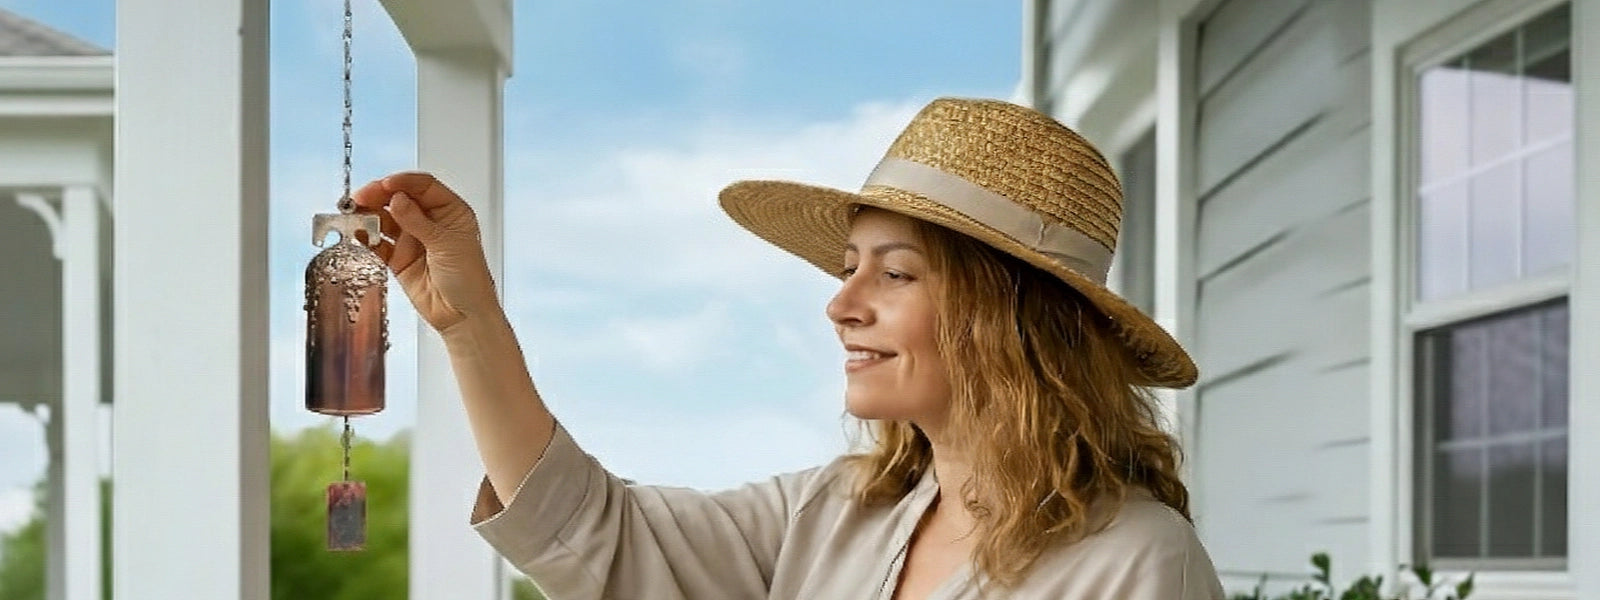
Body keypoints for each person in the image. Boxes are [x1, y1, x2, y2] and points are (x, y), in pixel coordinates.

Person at [352, 97, 1226, 599]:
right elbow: (593, 532)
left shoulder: (1138, 562)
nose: (840, 306)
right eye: (849, 269)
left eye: (896, 274)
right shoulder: (838, 510)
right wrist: (469, 327)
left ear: (1014, 319)